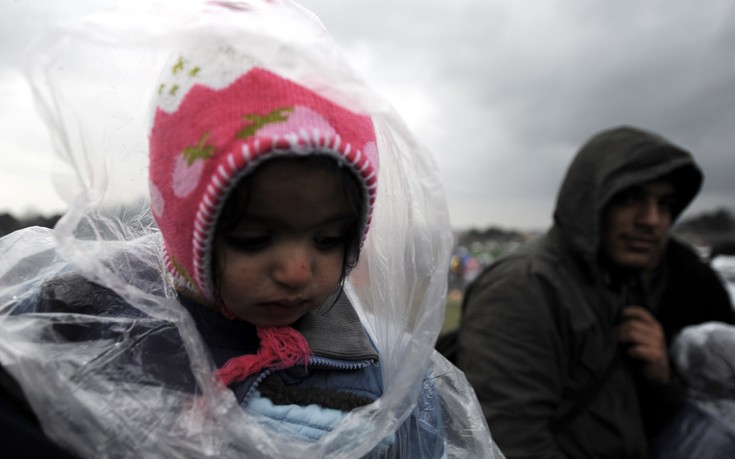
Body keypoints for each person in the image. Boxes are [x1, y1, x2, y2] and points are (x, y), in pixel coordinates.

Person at [0, 2, 499, 457]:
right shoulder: (84, 316)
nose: (296, 270)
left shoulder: (372, 372)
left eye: (328, 239)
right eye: (255, 240)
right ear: (183, 227)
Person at [456, 125, 735, 458]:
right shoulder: (525, 287)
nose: (652, 220)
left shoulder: (617, 283)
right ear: (588, 200)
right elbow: (509, 440)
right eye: (630, 197)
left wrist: (661, 379)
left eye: (665, 204)